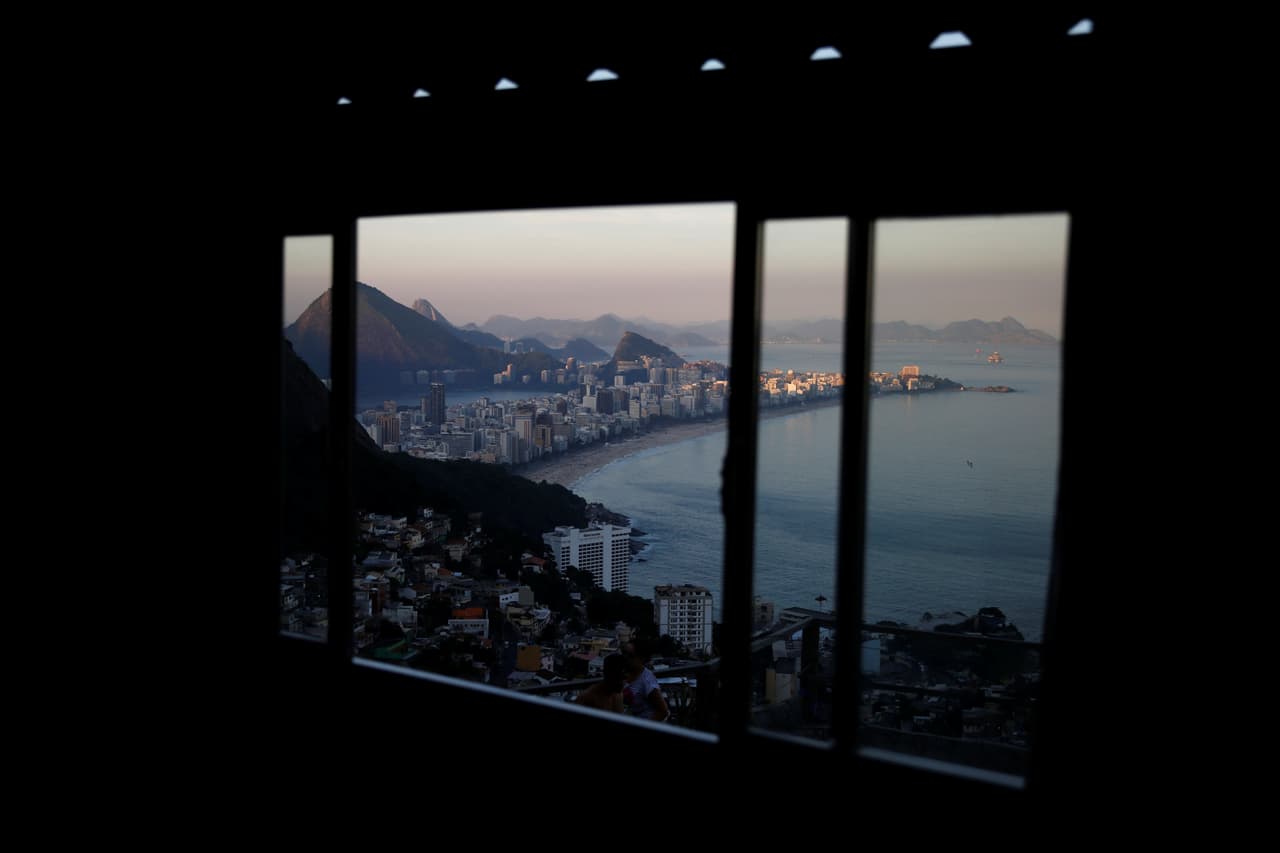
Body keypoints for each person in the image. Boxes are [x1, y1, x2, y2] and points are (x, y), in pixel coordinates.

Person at [621, 637, 670, 722]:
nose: (625, 657)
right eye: (624, 653)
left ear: (642, 658)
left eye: (630, 655)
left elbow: (663, 711)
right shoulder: (624, 673)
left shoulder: (647, 681)